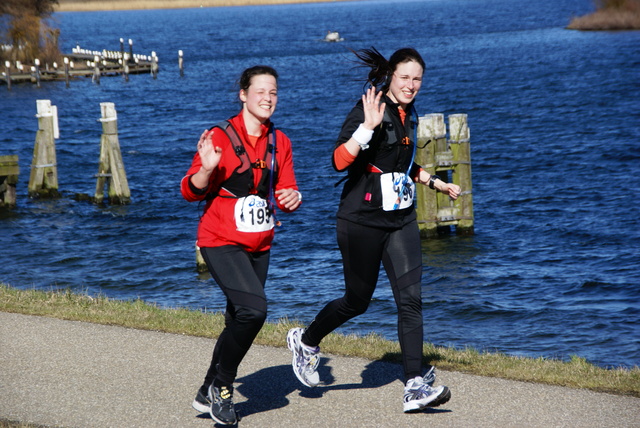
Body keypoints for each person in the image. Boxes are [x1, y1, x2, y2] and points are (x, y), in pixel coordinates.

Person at [286, 47, 460, 413]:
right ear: (391, 76)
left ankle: (414, 384)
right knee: (357, 301)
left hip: (401, 220)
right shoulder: (371, 108)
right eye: (405, 78)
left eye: (417, 79)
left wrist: (434, 182)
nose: (411, 85)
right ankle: (306, 340)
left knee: (410, 299)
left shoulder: (406, 112)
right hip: (360, 221)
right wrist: (366, 128)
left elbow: (400, 162)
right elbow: (338, 161)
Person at [181, 65, 302, 425]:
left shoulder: (281, 142)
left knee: (238, 317)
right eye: (261, 91)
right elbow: (190, 190)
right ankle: (222, 388)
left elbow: (285, 192)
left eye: (274, 92)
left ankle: (205, 391)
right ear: (243, 95)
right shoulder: (219, 137)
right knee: (254, 311)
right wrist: (205, 169)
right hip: (219, 240)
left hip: (260, 244)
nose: (268, 98)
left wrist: (292, 197)